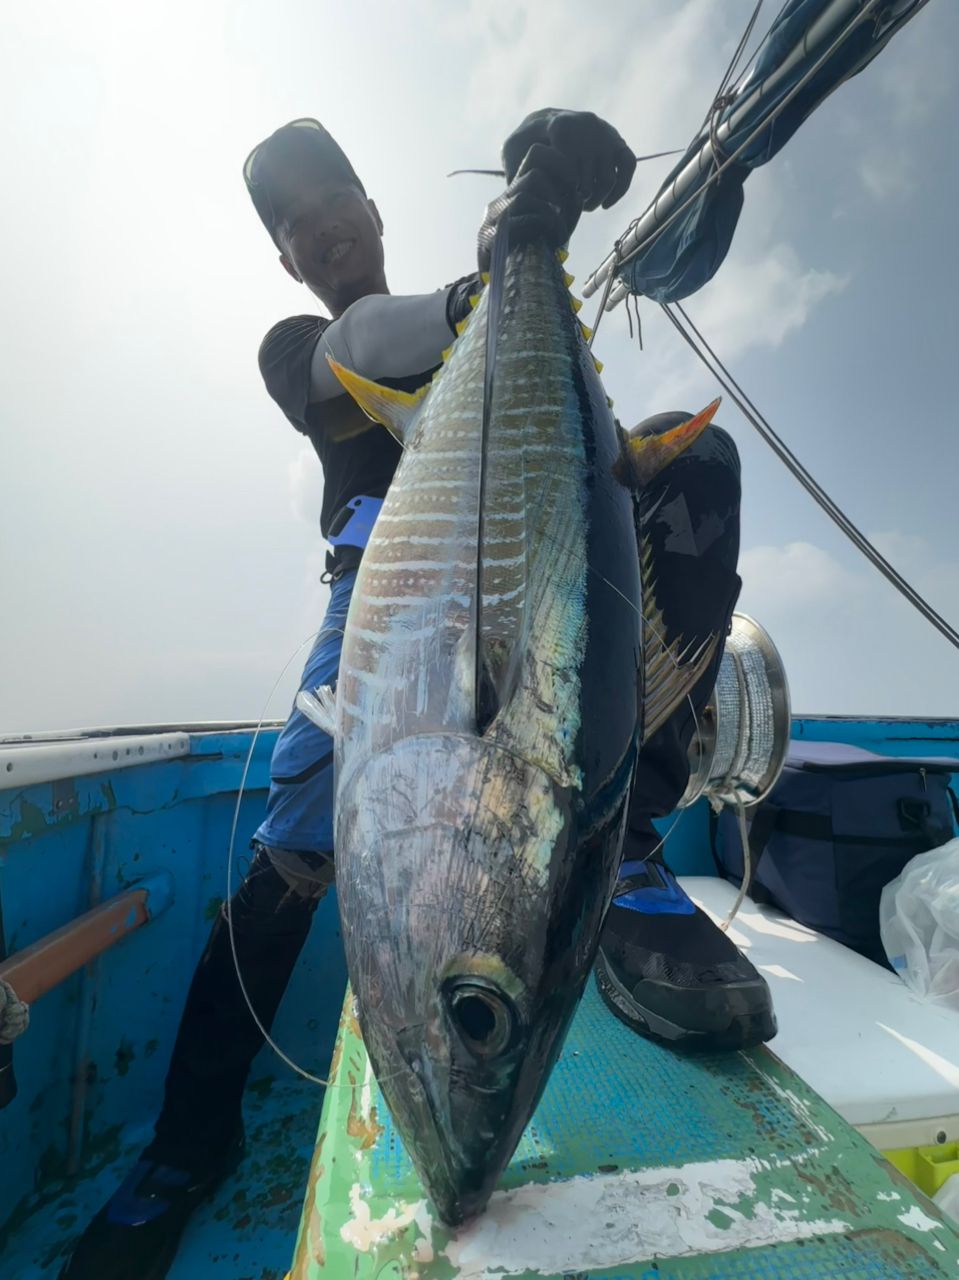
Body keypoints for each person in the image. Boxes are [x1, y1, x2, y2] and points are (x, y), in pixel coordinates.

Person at [60, 110, 774, 1280]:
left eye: (332, 199)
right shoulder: (307, 342)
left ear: (374, 210)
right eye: (293, 225)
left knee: (687, 456)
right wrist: (497, 270)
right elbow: (363, 342)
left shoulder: (489, 302)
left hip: (540, 599)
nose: (319, 227)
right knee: (292, 859)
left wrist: (529, 240)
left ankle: (624, 847)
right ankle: (185, 1146)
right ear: (286, 261)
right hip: (384, 624)